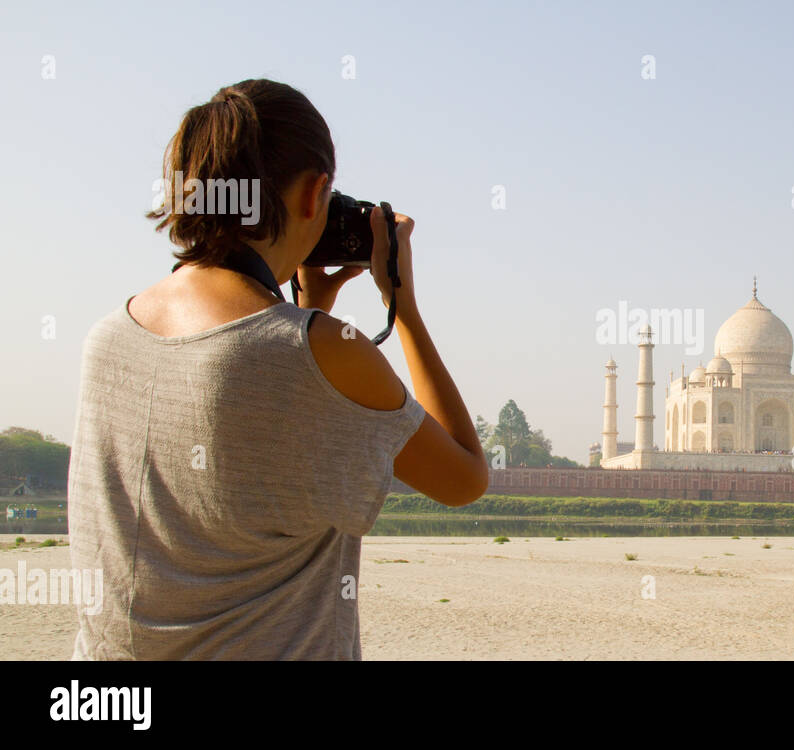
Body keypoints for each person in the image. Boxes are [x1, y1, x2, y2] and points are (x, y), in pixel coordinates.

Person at [67, 79, 489, 660]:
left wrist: (309, 314)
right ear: (315, 195)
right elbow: (465, 478)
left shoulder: (107, 337)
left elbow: (262, 408)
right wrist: (404, 308)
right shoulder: (323, 352)